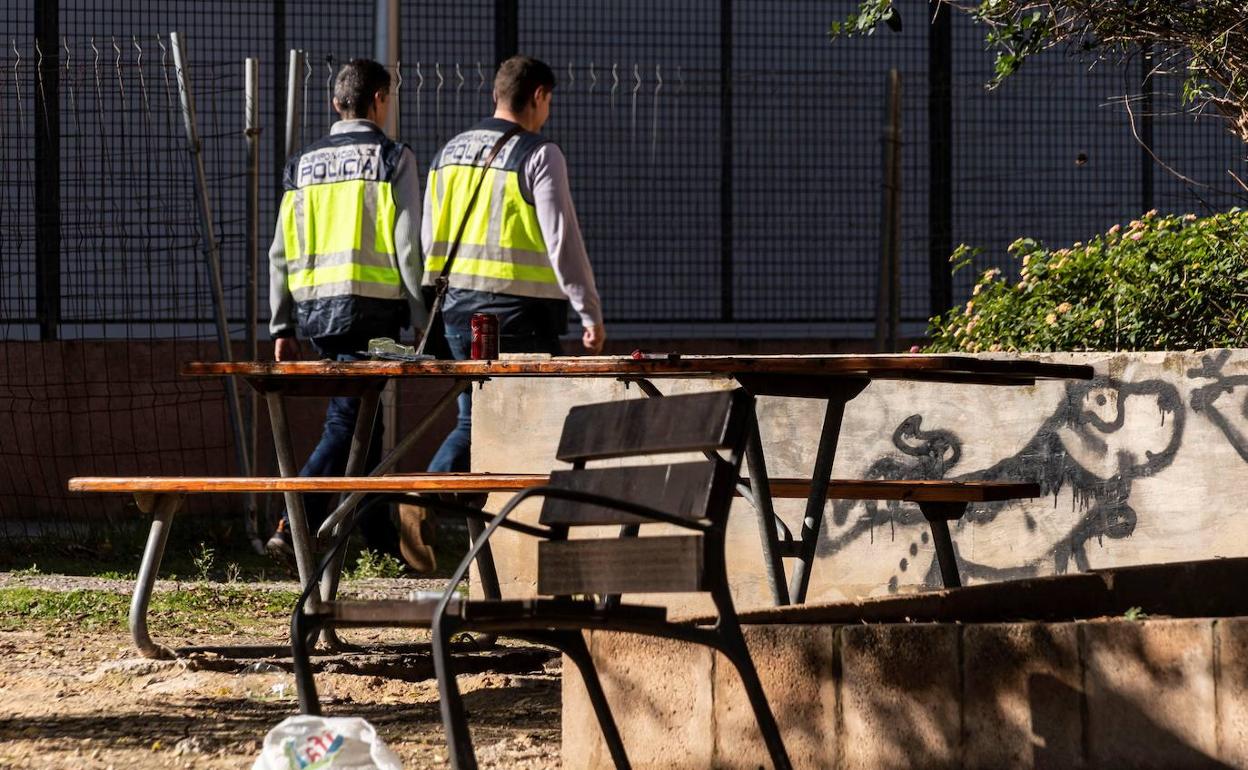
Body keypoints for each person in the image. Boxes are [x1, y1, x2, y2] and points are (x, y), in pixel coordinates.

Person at [402, 56, 605, 568]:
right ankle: (467, 513)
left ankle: (456, 520)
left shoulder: (450, 152)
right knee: (541, 419)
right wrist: (588, 310)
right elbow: (561, 237)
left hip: (452, 309)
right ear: (538, 95)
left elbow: (428, 234)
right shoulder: (539, 153)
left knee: (477, 414)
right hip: (517, 311)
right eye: (549, 101)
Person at [265, 58, 426, 565]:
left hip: (317, 316)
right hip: (374, 314)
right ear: (380, 98)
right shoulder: (392, 157)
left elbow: (280, 252)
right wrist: (422, 318)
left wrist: (281, 324)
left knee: (365, 420)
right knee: (348, 421)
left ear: (336, 103)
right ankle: (294, 519)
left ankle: (378, 536)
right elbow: (406, 247)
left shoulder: (301, 164)